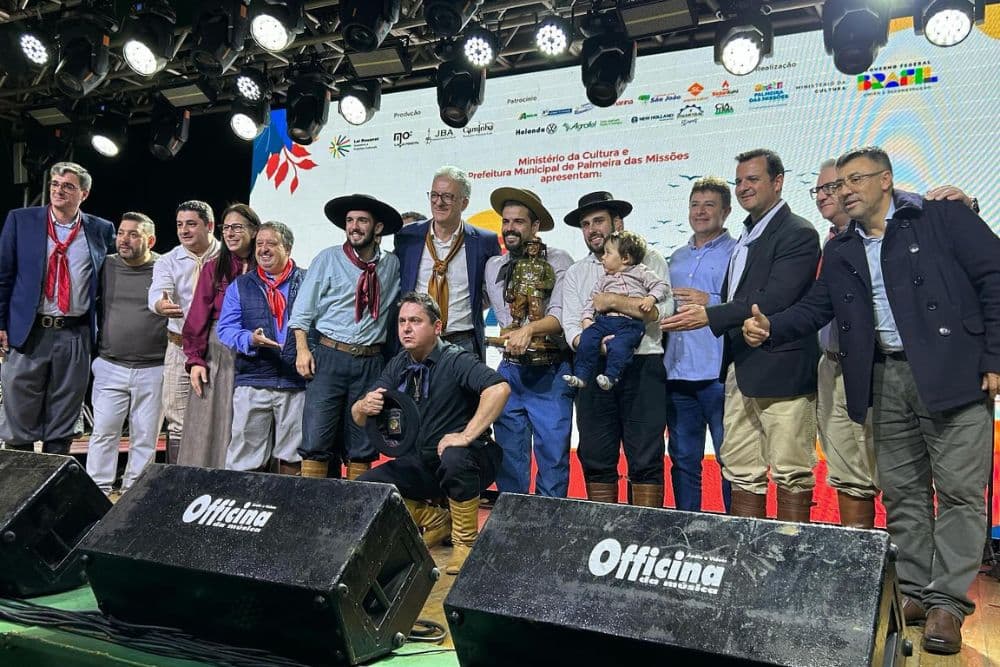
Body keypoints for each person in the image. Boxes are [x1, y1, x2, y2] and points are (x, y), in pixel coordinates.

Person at [743, 146, 999, 656]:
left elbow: (994, 278)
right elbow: (818, 306)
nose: (843, 191)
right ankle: (917, 594)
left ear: (886, 180)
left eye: (855, 180)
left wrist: (995, 356)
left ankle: (948, 602)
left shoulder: (940, 217)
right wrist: (772, 327)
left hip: (953, 374)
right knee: (902, 492)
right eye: (838, 185)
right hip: (883, 378)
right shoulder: (840, 248)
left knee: (959, 493)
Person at [813, 164, 978, 528]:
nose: (828, 194)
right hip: (834, 367)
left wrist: (968, 207)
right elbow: (812, 307)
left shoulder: (908, 228)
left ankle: (922, 572)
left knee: (910, 479)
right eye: (822, 189)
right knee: (855, 474)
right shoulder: (831, 244)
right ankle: (868, 566)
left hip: (887, 367)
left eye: (837, 185)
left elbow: (975, 272)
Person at [662, 149, 820, 523]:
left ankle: (789, 556)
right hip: (738, 368)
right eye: (741, 181)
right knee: (741, 466)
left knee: (790, 471)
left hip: (782, 368)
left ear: (777, 182)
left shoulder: (797, 232)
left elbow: (777, 298)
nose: (745, 187)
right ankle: (746, 554)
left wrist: (710, 312)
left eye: (754, 180)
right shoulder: (750, 235)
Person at [353, 292, 510, 574]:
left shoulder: (456, 359)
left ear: (437, 327)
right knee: (366, 487)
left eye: (415, 321)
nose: (406, 328)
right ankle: (436, 520)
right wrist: (364, 405)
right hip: (425, 463)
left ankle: (464, 543)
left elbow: (499, 388)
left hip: (473, 461)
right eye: (402, 321)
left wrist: (465, 435)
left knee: (454, 455)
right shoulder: (400, 363)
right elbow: (357, 414)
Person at [561, 192, 673, 507]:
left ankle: (645, 537)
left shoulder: (651, 261)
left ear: (617, 223)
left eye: (598, 221)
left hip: (643, 365)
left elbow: (660, 314)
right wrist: (592, 342)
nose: (592, 229)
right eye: (585, 224)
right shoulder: (577, 273)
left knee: (646, 456)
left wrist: (612, 302)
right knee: (596, 454)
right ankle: (603, 534)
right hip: (594, 367)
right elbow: (571, 324)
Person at [0, 161, 115, 454]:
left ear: (84, 194)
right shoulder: (21, 220)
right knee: (19, 413)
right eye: (55, 185)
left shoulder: (101, 229)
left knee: (63, 417)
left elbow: (108, 281)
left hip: (74, 333)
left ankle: (53, 489)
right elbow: (4, 276)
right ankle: (20, 489)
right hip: (28, 331)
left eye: (68, 186)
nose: (59, 191)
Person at [290, 194, 402, 480]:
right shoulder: (328, 258)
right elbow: (302, 312)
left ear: (377, 228)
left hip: (370, 361)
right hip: (329, 357)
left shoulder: (392, 265)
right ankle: (310, 508)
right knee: (316, 438)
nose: (354, 226)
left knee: (362, 443)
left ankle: (356, 515)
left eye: (362, 221)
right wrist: (303, 350)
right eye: (350, 221)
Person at [483, 187, 574, 498]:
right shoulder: (493, 266)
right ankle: (511, 526)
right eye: (506, 221)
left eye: (519, 221)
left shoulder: (560, 260)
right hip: (510, 371)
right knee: (508, 456)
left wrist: (530, 330)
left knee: (553, 457)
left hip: (551, 372)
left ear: (535, 226)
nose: (510, 227)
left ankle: (549, 529)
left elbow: (562, 316)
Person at [662, 177, 737, 513]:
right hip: (677, 375)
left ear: (726, 210)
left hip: (720, 376)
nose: (701, 212)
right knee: (683, 462)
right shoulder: (674, 259)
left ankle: (738, 533)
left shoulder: (738, 253)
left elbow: (752, 302)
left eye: (709, 205)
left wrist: (713, 300)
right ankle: (686, 528)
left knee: (732, 461)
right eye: (695, 204)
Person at [86, 213, 166, 494]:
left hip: (154, 368)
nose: (124, 239)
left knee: (145, 437)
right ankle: (97, 492)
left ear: (150, 240)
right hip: (110, 364)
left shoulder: (165, 268)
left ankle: (135, 496)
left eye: (133, 234)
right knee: (103, 433)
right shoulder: (105, 265)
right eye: (121, 233)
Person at [218, 222, 305, 474]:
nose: (263, 249)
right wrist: (249, 339)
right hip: (253, 379)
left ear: (287, 247)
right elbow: (226, 328)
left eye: (272, 243)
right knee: (245, 454)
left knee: (294, 454)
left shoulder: (309, 281)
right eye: (259, 244)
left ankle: (288, 510)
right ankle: (240, 505)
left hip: (295, 382)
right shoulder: (241, 285)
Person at [180, 203, 259, 468]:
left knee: (248, 425)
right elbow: (196, 319)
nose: (230, 233)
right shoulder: (214, 268)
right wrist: (195, 361)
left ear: (254, 230)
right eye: (226, 228)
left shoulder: (266, 268)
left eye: (237, 227)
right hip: (219, 352)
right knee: (208, 425)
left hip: (256, 352)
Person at [394, 166, 500, 360]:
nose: (438, 202)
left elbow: (492, 291)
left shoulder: (485, 241)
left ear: (464, 202)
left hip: (463, 343)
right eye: (434, 195)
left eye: (448, 197)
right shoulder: (407, 237)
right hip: (416, 340)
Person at [148, 200, 220, 462]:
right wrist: (160, 304)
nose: (184, 230)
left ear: (209, 225)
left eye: (191, 224)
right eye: (180, 225)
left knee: (218, 416)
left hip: (217, 350)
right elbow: (158, 291)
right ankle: (176, 485)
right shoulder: (168, 260)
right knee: (176, 419)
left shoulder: (227, 258)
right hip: (179, 347)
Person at [565, 230, 669, 391]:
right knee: (588, 337)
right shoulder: (603, 279)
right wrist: (586, 318)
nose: (603, 257)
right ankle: (581, 376)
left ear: (625, 258)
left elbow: (661, 286)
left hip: (630, 324)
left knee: (620, 345)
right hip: (605, 321)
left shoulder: (641, 271)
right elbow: (592, 300)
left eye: (608, 253)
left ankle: (611, 376)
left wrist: (651, 298)